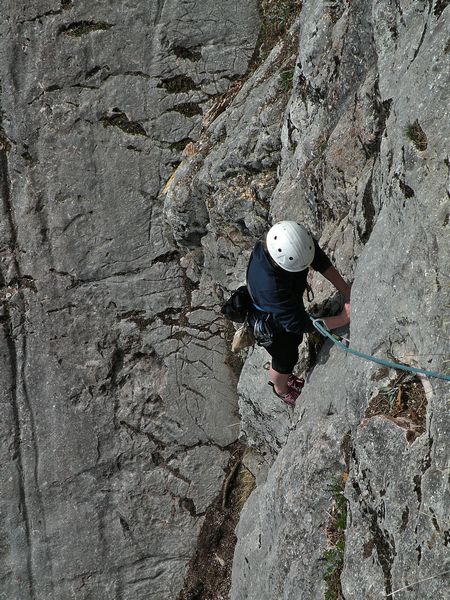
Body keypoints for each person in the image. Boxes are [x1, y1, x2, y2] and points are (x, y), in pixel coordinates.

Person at [246, 221, 351, 406]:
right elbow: (298, 324)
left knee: (292, 345)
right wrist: (343, 319)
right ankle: (281, 389)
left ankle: (280, 376)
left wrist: (346, 292)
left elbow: (318, 259)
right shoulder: (270, 288)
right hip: (272, 323)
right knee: (285, 358)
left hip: (281, 305)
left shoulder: (290, 238)